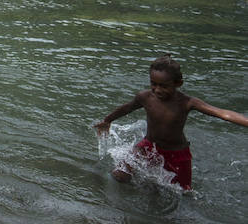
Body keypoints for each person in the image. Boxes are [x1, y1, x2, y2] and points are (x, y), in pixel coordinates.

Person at [94, 54, 248, 190]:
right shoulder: (145, 97)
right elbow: (127, 108)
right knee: (120, 175)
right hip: (148, 147)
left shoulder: (187, 102)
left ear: (178, 83)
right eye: (153, 84)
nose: (157, 89)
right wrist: (108, 120)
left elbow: (223, 114)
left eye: (164, 86)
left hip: (177, 155)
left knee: (182, 192)